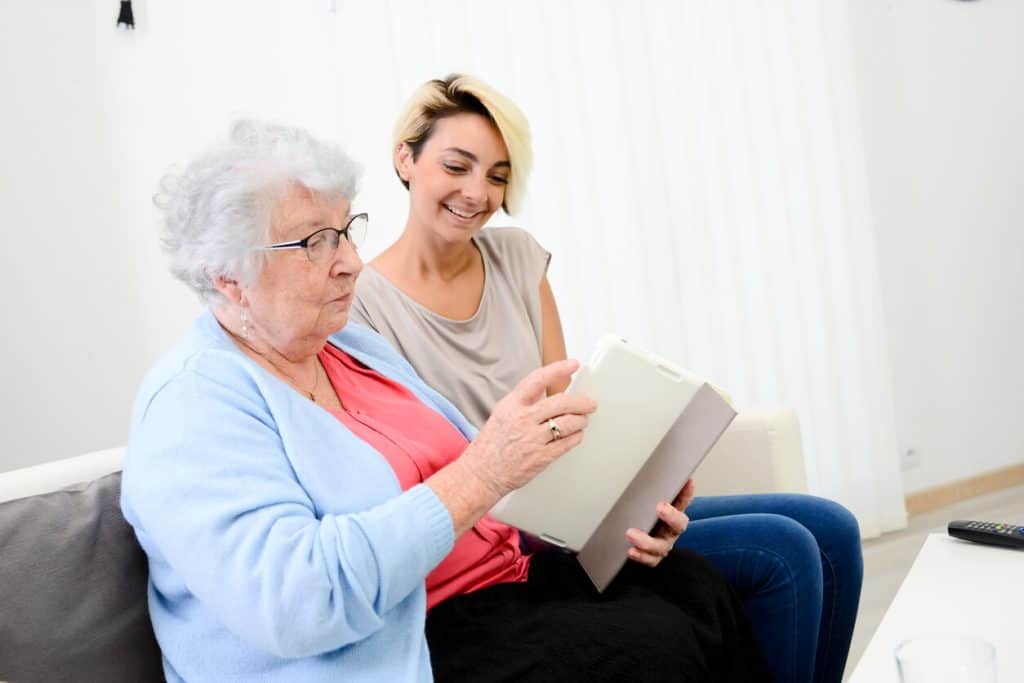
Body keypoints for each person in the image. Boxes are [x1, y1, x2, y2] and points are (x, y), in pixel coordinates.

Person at [121, 120, 772, 682]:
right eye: (315, 242)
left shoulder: (346, 346)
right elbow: (300, 600)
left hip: (490, 590)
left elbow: (487, 494)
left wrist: (613, 497)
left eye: (346, 230)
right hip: (394, 650)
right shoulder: (193, 405)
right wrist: (483, 472)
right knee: (652, 647)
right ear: (228, 277)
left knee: (695, 586)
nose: (350, 260)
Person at [350, 73, 864, 683]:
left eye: (496, 175)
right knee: (786, 550)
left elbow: (566, 418)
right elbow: (411, 472)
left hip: (572, 513)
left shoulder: (517, 258)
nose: (476, 192)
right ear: (404, 159)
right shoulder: (362, 308)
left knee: (830, 528)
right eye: (457, 166)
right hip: (505, 542)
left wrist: (651, 487)